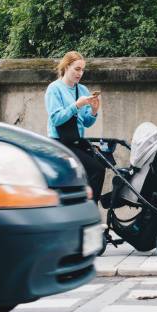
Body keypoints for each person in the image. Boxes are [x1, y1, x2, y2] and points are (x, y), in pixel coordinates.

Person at [45, 51, 105, 202]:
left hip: (76, 142)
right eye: (77, 69)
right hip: (59, 142)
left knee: (101, 165)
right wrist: (77, 105)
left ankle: (85, 206)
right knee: (96, 170)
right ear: (66, 67)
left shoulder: (82, 90)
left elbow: (86, 122)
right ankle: (90, 209)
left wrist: (94, 111)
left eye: (82, 70)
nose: (80, 73)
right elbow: (56, 119)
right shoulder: (54, 89)